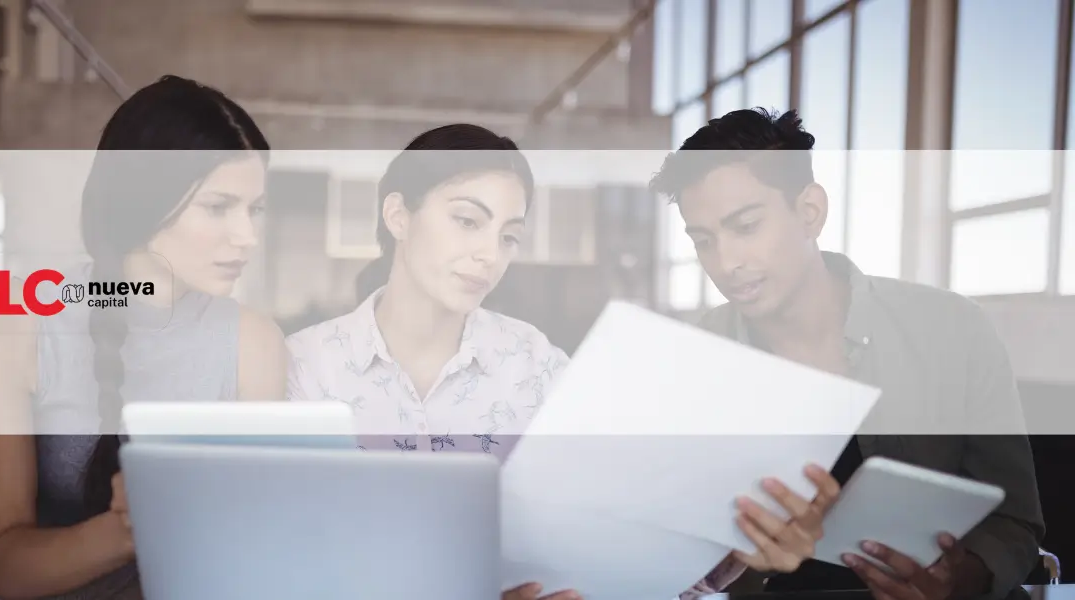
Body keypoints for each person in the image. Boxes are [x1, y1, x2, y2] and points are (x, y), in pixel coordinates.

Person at [286, 123, 843, 600]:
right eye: (468, 220)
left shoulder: (539, 368)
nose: (489, 254)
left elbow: (622, 550)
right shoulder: (303, 369)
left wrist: (740, 540)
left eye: (509, 236)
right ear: (398, 215)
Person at [649, 107, 1046, 600]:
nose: (726, 262)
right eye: (704, 241)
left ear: (810, 212)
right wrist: (732, 556)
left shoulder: (952, 329)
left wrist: (955, 582)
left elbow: (1015, 523)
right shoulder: (692, 360)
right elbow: (672, 552)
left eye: (746, 226)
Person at [0, 75, 287, 599]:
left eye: (254, 209)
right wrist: (134, 523)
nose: (247, 236)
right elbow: (8, 570)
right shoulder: (5, 320)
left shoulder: (254, 342)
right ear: (143, 201)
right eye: (218, 207)